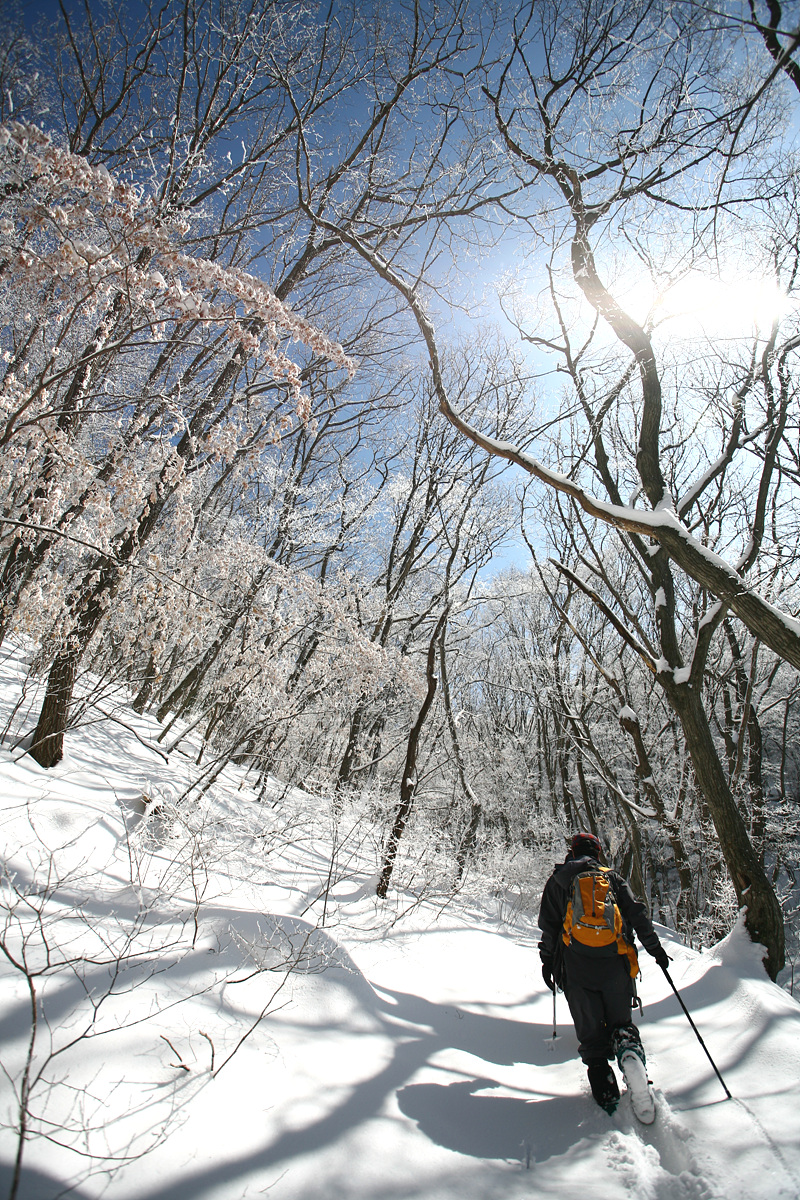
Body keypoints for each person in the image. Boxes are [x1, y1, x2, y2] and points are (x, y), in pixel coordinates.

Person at [537, 832, 669, 1114]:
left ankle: (606, 1093)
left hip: (576, 968)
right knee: (621, 1023)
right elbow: (638, 916)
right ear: (597, 852)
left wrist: (548, 962)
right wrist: (656, 951)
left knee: (592, 1038)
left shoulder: (559, 881)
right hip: (615, 965)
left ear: (571, 852)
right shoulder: (612, 878)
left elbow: (548, 928)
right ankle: (629, 1053)